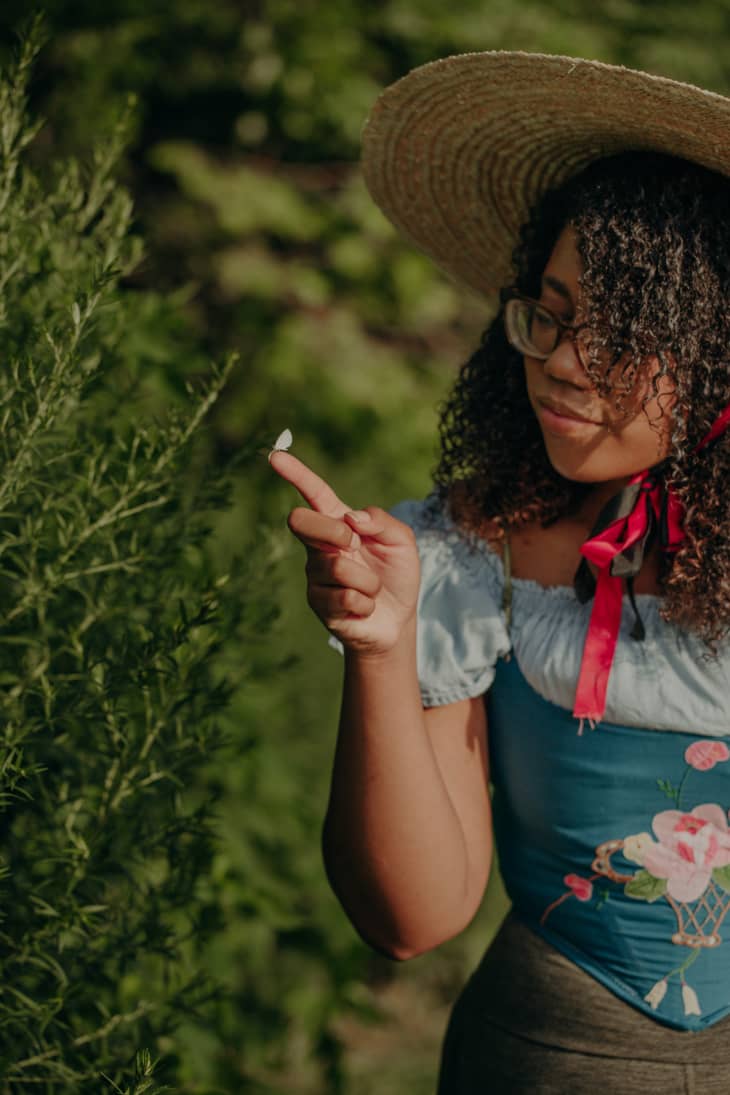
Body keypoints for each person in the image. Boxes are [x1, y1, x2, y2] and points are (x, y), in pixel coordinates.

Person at [269, 52, 730, 1093]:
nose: (564, 361)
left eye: (625, 332)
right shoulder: (469, 556)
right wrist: (381, 649)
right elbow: (413, 920)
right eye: (552, 312)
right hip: (549, 1062)